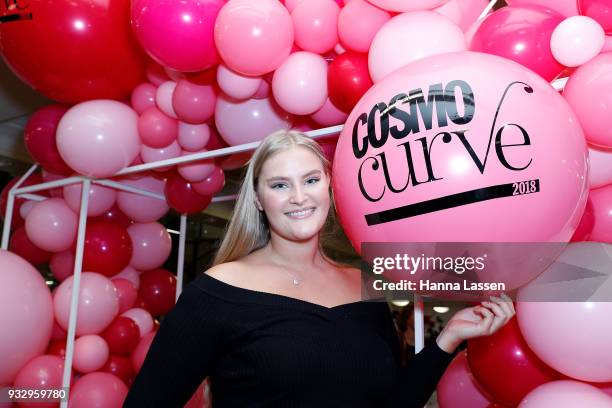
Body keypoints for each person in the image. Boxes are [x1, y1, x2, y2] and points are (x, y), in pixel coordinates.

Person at [124, 130, 515, 408]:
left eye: (310, 180)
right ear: (258, 199)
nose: (298, 197)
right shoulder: (216, 294)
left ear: (328, 185)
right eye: (279, 185)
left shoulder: (363, 286)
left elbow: (392, 401)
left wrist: (449, 337)